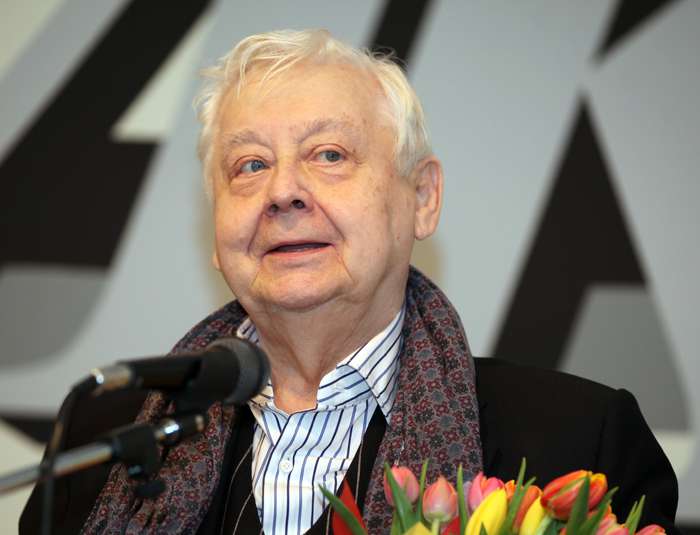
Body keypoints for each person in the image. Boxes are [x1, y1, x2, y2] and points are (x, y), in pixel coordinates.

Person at [21, 29, 679, 535]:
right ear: (217, 227)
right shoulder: (99, 445)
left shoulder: (579, 444)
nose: (282, 191)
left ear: (422, 197)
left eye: (329, 154)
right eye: (249, 165)